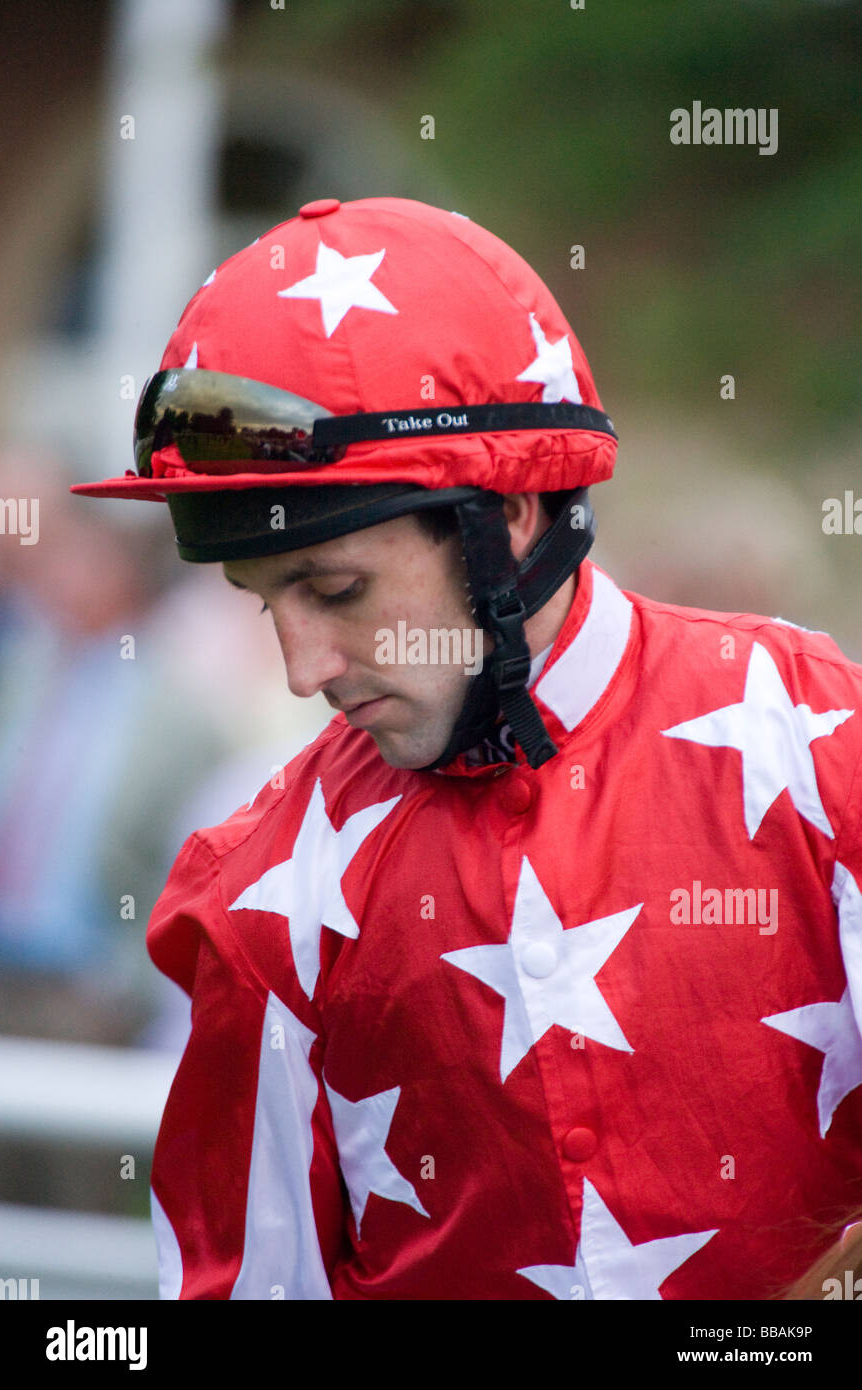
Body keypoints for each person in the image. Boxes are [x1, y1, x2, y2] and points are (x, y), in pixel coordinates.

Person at [72, 195, 862, 1300]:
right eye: (265, 605)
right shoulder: (258, 893)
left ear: (513, 519)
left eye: (336, 589)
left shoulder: (818, 736)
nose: (304, 670)